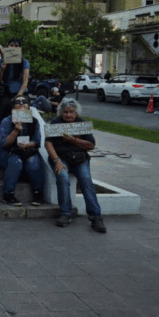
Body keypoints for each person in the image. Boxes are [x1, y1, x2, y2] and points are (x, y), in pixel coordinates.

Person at [45, 98, 106, 233]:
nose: (68, 115)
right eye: (65, 112)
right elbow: (48, 143)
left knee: (86, 181)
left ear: (76, 113)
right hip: (61, 158)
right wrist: (56, 161)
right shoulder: (55, 123)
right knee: (62, 177)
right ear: (61, 112)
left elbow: (91, 145)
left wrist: (73, 139)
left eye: (71, 112)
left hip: (80, 158)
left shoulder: (82, 124)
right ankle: (66, 213)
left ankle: (95, 216)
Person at [0, 95, 44, 207]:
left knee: (34, 162)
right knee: (15, 162)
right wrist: (15, 131)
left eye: (24, 101)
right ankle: (8, 194)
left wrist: (27, 145)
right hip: (8, 151)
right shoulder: (7, 121)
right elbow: (3, 143)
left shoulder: (34, 121)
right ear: (13, 107)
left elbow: (37, 141)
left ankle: (37, 193)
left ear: (28, 106)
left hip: (26, 151)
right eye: (18, 102)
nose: (21, 103)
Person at [0, 38, 30, 138]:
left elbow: (25, 82)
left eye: (16, 46)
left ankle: (23, 134)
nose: (13, 47)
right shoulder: (0, 61)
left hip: (21, 92)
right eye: (11, 45)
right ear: (7, 47)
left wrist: (17, 97)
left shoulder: (24, 62)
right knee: (1, 112)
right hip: (6, 92)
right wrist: (2, 68)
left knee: (21, 109)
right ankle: (0, 135)